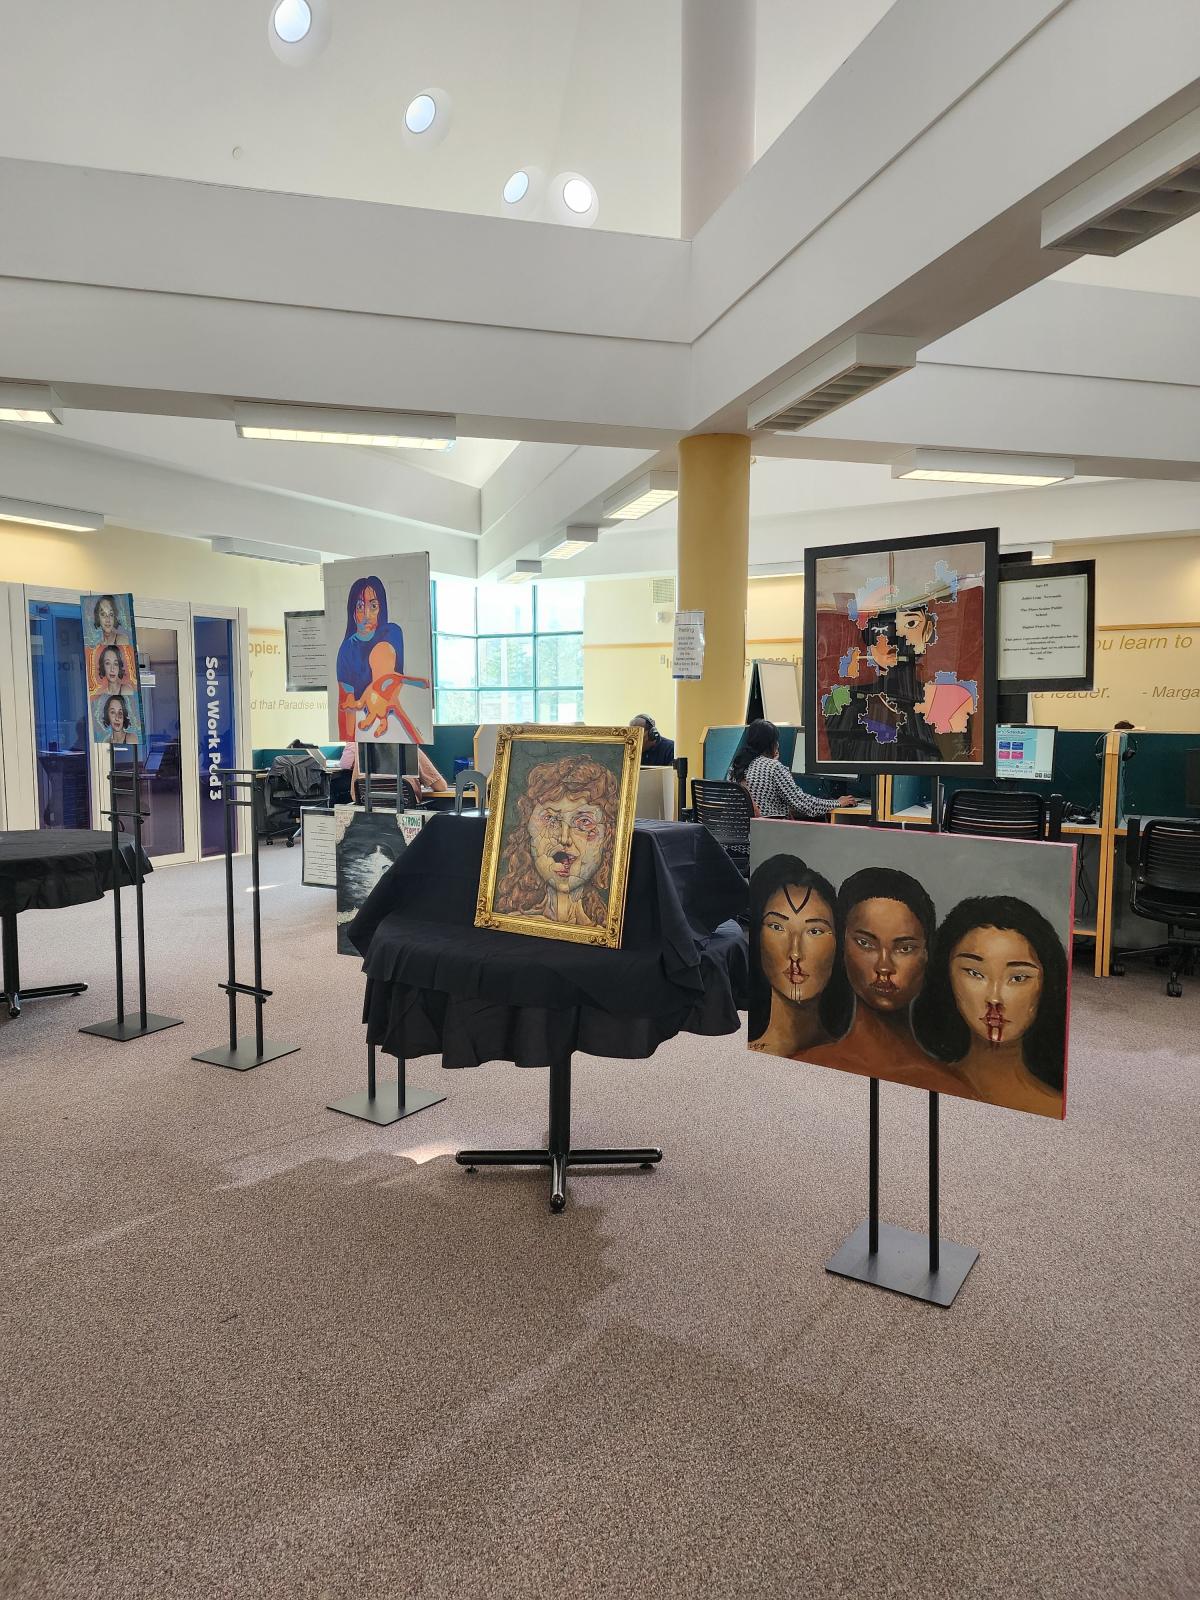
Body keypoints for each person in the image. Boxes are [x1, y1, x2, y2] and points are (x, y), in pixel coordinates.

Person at [806, 866, 967, 1093]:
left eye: (905, 948)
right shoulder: (810, 1062)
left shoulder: (951, 1086)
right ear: (842, 946)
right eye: (865, 943)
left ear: (927, 954)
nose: (884, 967)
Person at [913, 895, 1066, 1118]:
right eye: (975, 973)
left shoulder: (1051, 1104)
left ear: (1047, 983)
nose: (994, 998)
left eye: (1018, 977)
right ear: (946, 975)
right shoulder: (920, 1079)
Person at [494, 751, 618, 928]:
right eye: (551, 819)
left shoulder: (605, 931)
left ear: (607, 836)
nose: (564, 838)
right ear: (528, 829)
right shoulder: (510, 921)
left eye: (584, 822)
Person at [747, 854, 851, 1058]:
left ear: (838, 942)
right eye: (777, 927)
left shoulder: (852, 1057)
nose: (795, 952)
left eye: (814, 931)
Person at [335, 576, 429, 743]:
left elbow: (383, 656)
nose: (366, 615)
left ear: (381, 608)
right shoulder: (346, 650)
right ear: (352, 611)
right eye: (360, 606)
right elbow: (346, 710)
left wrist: (378, 691)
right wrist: (350, 750)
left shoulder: (390, 632)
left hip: (394, 721)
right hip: (366, 729)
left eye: (373, 606)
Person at [730, 719, 856, 819]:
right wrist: (837, 803)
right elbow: (803, 804)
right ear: (772, 744)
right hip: (766, 837)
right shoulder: (773, 768)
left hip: (739, 843)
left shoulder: (736, 767)